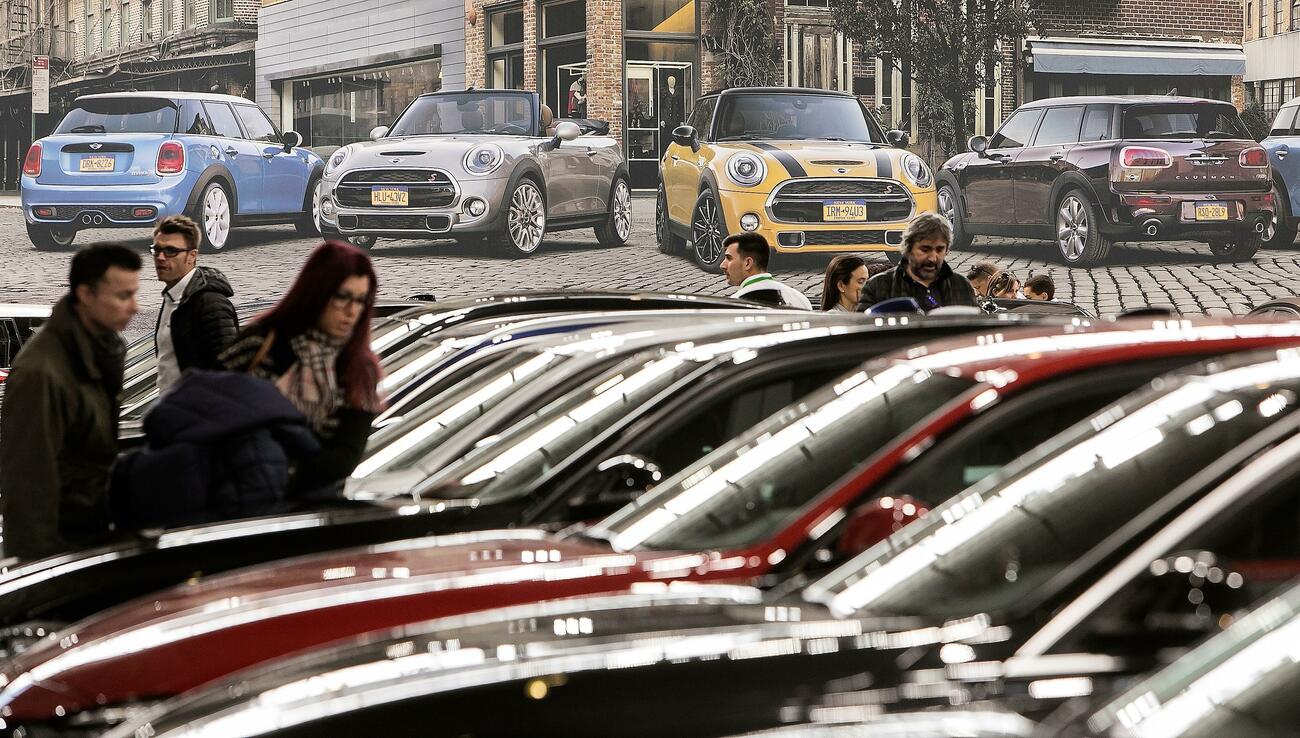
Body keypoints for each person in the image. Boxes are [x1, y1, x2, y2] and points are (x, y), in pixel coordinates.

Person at [0, 243, 140, 560]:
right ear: (86, 295)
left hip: (93, 537)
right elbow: (27, 486)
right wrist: (44, 571)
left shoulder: (103, 348)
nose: (135, 307)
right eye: (123, 296)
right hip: (64, 551)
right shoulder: (41, 373)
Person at [218, 241, 383, 496]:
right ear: (318, 291)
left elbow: (345, 455)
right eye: (342, 297)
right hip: (234, 497)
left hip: (309, 507)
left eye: (361, 300)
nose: (352, 311)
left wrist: (283, 478)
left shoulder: (359, 368)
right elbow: (212, 410)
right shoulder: (261, 343)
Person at [152, 215, 238, 393]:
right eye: (156, 250)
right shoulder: (172, 297)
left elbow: (230, 374)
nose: (160, 257)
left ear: (191, 256)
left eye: (170, 251)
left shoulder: (211, 303)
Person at [856, 212, 979, 312]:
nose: (933, 258)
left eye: (939, 249)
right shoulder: (878, 286)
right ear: (908, 249)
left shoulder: (961, 285)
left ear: (947, 250)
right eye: (925, 249)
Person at [721, 233, 813, 310]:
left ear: (748, 263)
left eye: (729, 258)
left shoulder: (735, 305)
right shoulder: (800, 299)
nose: (722, 265)